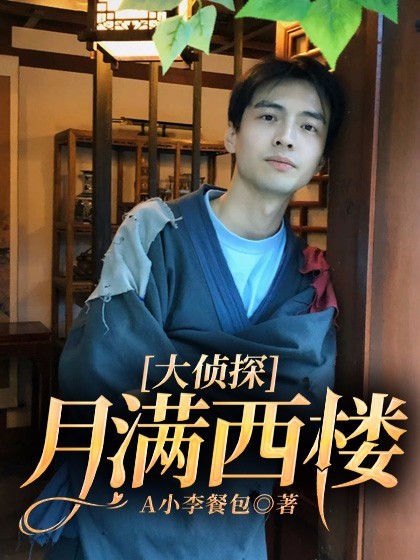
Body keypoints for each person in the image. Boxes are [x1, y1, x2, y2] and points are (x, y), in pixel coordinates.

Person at [26, 55, 345, 559]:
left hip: (229, 532)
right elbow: (101, 373)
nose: (286, 137)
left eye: (309, 126)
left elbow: (308, 410)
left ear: (322, 159)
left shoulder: (306, 275)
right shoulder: (156, 231)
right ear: (232, 135)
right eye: (268, 116)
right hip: (119, 523)